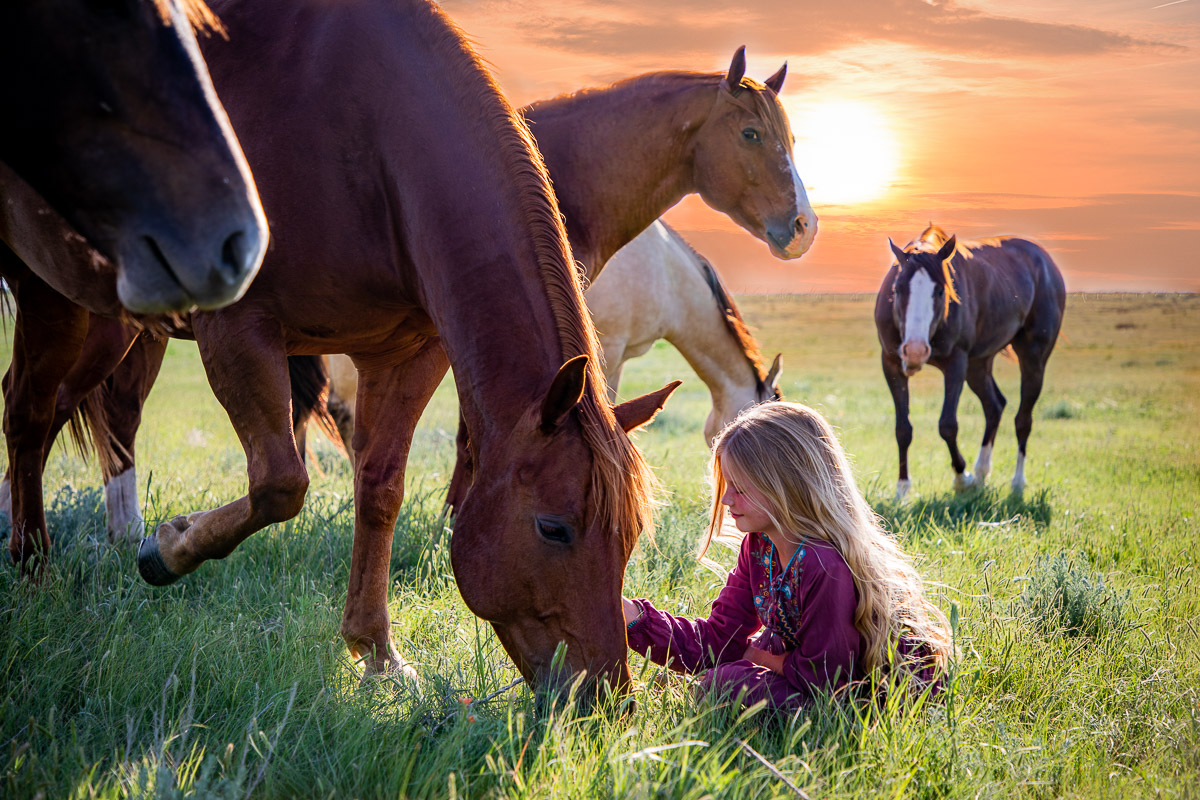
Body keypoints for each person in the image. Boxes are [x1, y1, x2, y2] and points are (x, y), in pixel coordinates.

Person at [623, 402, 954, 710]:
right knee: (723, 677)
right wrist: (630, 615)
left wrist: (755, 656)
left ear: (786, 485)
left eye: (740, 488)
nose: (726, 500)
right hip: (808, 679)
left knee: (724, 683)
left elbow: (827, 685)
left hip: (861, 698)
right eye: (727, 486)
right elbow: (717, 640)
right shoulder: (759, 546)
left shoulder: (823, 564)